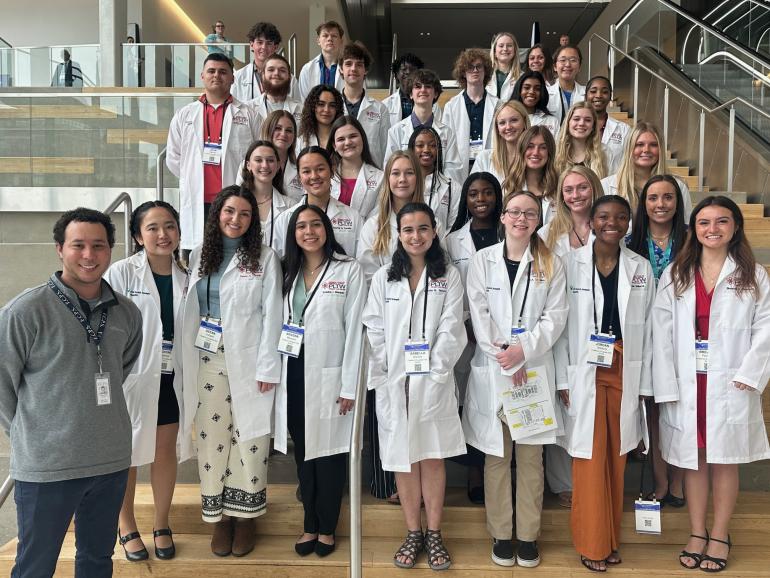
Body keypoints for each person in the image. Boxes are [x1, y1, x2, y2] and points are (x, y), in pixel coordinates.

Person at [0, 208, 143, 577]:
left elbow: (119, 369)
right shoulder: (26, 311)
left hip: (109, 461)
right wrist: (35, 432)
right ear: (59, 249)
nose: (89, 255)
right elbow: (2, 384)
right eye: (78, 245)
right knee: (35, 566)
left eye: (98, 246)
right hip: (47, 466)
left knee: (97, 560)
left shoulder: (126, 313)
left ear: (111, 250)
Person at [653, 195, 770, 573]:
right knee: (694, 460)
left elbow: (765, 331)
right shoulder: (677, 274)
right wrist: (666, 382)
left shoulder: (754, 275)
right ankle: (697, 531)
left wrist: (748, 377)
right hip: (688, 382)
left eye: (722, 221)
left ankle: (719, 534)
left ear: (735, 226)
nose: (713, 229)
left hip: (730, 383)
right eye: (704, 222)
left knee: (723, 460)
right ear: (694, 229)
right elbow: (661, 332)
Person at [464, 190, 568, 568]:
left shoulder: (550, 262)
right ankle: (500, 532)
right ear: (503, 217)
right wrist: (507, 357)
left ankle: (528, 536)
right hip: (495, 369)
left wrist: (523, 350)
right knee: (496, 457)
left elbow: (555, 317)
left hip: (533, 370)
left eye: (529, 213)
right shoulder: (482, 261)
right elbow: (479, 314)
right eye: (515, 212)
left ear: (538, 220)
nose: (521, 219)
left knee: (530, 457)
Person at [363, 202, 468, 571]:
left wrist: (433, 375)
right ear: (398, 234)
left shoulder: (449, 276)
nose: (415, 236)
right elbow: (374, 329)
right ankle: (412, 531)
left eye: (423, 229)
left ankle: (434, 532)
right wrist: (389, 374)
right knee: (403, 460)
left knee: (432, 458)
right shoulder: (383, 278)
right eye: (408, 230)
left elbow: (452, 330)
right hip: (394, 385)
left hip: (433, 384)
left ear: (434, 231)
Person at [180, 186, 282, 557]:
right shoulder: (197, 256)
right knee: (210, 436)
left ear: (253, 220)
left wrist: (269, 363)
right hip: (206, 356)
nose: (235, 220)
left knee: (250, 437)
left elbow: (273, 313)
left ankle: (246, 517)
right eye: (228, 212)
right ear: (216, 215)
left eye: (243, 214)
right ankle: (219, 519)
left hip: (250, 358)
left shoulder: (265, 258)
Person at [555, 194, 654, 572]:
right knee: (591, 460)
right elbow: (561, 328)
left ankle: (610, 538)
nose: (612, 223)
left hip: (625, 367)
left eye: (620, 217)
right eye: (603, 216)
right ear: (591, 221)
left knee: (616, 458)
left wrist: (645, 384)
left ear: (629, 223)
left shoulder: (641, 267)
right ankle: (592, 543)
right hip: (584, 371)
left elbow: (649, 330)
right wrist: (564, 377)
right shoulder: (570, 264)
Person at [274, 204, 366, 557]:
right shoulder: (287, 272)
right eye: (301, 226)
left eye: (315, 224)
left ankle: (327, 527)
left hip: (330, 373)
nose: (308, 231)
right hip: (294, 371)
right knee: (304, 456)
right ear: (293, 234)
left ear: (327, 229)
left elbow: (356, 330)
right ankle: (309, 523)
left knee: (329, 455)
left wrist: (348, 385)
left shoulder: (348, 270)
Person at [105, 201, 189, 562]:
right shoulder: (122, 274)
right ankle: (126, 525)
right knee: (126, 455)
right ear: (138, 235)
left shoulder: (188, 275)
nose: (162, 234)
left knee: (164, 450)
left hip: (172, 376)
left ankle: (161, 522)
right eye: (152, 227)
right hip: (131, 377)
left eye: (169, 226)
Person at [538, 165, 603, 507]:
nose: (576, 195)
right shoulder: (551, 233)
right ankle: (563, 483)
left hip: (601, 330)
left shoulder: (607, 225)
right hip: (562, 325)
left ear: (593, 188)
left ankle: (594, 481)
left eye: (582, 188)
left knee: (594, 412)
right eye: (569, 190)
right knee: (564, 408)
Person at [628, 175, 687, 510]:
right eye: (653, 198)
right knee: (650, 406)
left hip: (680, 335)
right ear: (644, 204)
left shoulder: (692, 241)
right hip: (640, 331)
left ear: (677, 203)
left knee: (678, 407)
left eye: (667, 197)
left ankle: (679, 480)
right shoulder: (631, 242)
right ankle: (661, 481)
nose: (660, 204)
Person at [446, 172, 504, 504]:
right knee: (470, 403)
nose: (480, 199)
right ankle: (474, 470)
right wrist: (467, 324)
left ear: (497, 197)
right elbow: (451, 287)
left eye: (487, 193)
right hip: (466, 333)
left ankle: (500, 468)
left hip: (505, 334)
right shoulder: (454, 241)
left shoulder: (509, 232)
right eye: (473, 194)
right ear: (465, 201)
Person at [166, 53, 260, 251]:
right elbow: (173, 158)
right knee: (199, 256)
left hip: (235, 197)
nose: (217, 75)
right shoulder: (185, 115)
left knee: (234, 253)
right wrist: (192, 177)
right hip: (199, 199)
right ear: (202, 76)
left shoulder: (249, 114)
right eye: (211, 71)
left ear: (233, 78)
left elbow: (260, 154)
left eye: (223, 72)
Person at [272, 146, 363, 259]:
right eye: (306, 171)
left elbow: (361, 262)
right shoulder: (285, 219)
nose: (314, 176)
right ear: (299, 177)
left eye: (320, 169)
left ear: (332, 170)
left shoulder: (353, 217)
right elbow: (278, 264)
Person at [385, 69, 463, 184]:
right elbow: (390, 168)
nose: (423, 90)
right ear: (411, 94)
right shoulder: (396, 131)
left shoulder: (447, 133)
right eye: (417, 86)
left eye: (428, 86)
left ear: (435, 93)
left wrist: (434, 188)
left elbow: (453, 171)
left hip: (437, 194)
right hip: (406, 192)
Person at [601, 121, 692, 219]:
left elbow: (686, 226)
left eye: (653, 145)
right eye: (639, 144)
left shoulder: (679, 186)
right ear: (629, 149)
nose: (646, 150)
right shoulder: (606, 185)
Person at [357, 150, 425, 282]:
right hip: (385, 300)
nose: (402, 179)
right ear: (387, 179)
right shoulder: (373, 226)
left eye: (409, 173)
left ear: (418, 178)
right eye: (395, 173)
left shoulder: (434, 224)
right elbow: (368, 277)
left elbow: (440, 271)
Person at [443, 48, 499, 175]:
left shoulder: (498, 105)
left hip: (490, 164)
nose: (475, 70)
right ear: (463, 72)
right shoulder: (451, 107)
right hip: (460, 166)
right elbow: (445, 142)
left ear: (486, 71)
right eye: (470, 67)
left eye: (479, 67)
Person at [339, 42, 391, 166]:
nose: (353, 68)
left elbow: (386, 150)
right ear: (341, 69)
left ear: (366, 70)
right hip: (338, 175)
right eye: (348, 64)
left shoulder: (380, 109)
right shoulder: (332, 106)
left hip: (372, 176)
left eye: (359, 64)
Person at [241, 140, 295, 247]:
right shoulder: (237, 202)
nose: (265, 165)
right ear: (248, 165)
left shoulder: (291, 206)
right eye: (258, 160)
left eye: (270, 160)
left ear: (278, 165)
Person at [408, 126, 462, 235]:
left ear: (439, 150)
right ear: (412, 150)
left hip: (441, 247)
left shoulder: (453, 187)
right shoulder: (405, 184)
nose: (426, 150)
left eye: (433, 145)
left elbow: (454, 226)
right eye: (420, 145)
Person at [327, 115, 383, 218]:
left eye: (353, 136)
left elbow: (378, 217)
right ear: (334, 146)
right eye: (341, 139)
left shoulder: (380, 178)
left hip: (367, 233)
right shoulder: (326, 175)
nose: (348, 142)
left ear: (362, 138)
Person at [502, 125, 559, 224]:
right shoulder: (508, 187)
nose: (536, 152)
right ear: (522, 150)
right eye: (530, 146)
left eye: (543, 147)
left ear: (549, 152)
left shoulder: (560, 187)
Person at [232, 22, 299, 103]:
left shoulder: (290, 80)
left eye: (269, 43)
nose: (264, 47)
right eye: (260, 42)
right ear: (251, 45)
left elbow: (296, 110)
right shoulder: (238, 77)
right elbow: (234, 108)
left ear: (276, 47)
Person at [471, 100, 531, 186]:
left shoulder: (534, 158)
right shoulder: (484, 159)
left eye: (514, 120)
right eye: (502, 123)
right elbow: (474, 192)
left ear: (524, 122)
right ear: (497, 128)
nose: (508, 127)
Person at [382, 53, 442, 126]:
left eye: (413, 69)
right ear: (396, 75)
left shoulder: (433, 106)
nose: (408, 72)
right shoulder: (386, 105)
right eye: (404, 69)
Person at [586, 76, 629, 174]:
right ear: (586, 95)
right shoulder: (577, 127)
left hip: (613, 186)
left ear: (610, 96)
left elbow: (628, 163)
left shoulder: (623, 129)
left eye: (604, 92)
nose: (598, 95)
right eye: (593, 91)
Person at [554, 101, 607, 179]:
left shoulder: (605, 152)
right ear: (568, 123)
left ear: (593, 126)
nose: (581, 123)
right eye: (576, 119)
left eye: (588, 120)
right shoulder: (555, 152)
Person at [262, 110, 303, 200]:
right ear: (268, 130)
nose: (283, 134)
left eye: (289, 130)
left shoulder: (301, 168)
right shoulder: (248, 165)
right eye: (277, 128)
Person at [250, 54, 303, 126]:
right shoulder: (249, 108)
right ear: (262, 75)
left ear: (290, 77)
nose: (276, 73)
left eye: (282, 70)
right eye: (271, 70)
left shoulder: (302, 110)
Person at [298, 20, 345, 100]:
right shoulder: (307, 69)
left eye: (334, 36)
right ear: (318, 41)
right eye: (325, 35)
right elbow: (303, 100)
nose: (330, 39)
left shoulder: (349, 68)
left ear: (341, 41)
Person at [512, 71, 560, 139]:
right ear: (519, 90)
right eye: (527, 87)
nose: (531, 92)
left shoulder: (552, 121)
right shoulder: (509, 119)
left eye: (537, 89)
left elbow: (558, 148)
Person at [547, 45, 586, 125]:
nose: (568, 64)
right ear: (555, 66)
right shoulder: (545, 93)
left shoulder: (587, 93)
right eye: (563, 60)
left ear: (579, 67)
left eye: (573, 60)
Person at [297, 85, 344, 150]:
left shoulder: (344, 138)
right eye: (321, 104)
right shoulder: (301, 142)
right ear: (312, 107)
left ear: (337, 109)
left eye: (332, 105)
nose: (326, 110)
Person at [486, 32, 521, 100]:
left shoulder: (522, 76)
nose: (505, 49)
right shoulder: (485, 75)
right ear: (494, 52)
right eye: (501, 46)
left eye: (509, 45)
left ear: (515, 51)